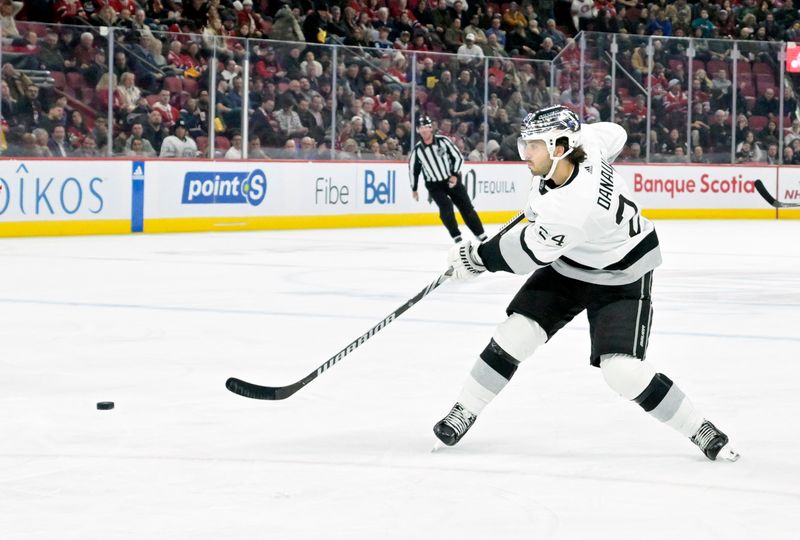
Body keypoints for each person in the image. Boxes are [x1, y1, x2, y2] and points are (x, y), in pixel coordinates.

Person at [433, 105, 739, 462]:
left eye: (532, 146)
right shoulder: (586, 142)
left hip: (622, 273)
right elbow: (617, 135)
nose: (524, 154)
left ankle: (697, 427)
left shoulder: (572, 208)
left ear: (559, 148)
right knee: (515, 334)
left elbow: (528, 252)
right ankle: (465, 409)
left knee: (622, 371)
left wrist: (477, 258)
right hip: (573, 261)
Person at [408, 115, 487, 243]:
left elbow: (458, 158)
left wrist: (454, 175)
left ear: (431, 128)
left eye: (427, 127)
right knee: (446, 206)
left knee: (466, 207)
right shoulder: (417, 150)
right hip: (434, 185)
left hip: (451, 179)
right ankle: (456, 236)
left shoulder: (443, 141)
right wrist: (414, 188)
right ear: (417, 130)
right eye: (421, 128)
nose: (424, 130)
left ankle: (480, 234)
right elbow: (413, 169)